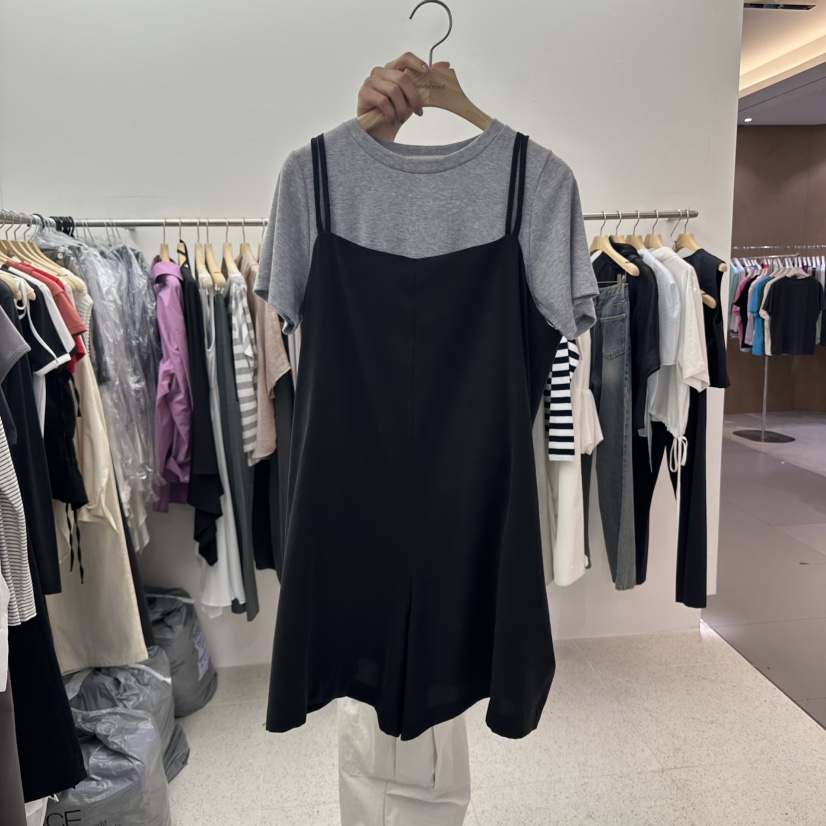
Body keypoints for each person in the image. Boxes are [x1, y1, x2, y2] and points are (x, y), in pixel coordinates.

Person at [336, 53, 473, 826]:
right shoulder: (319, 184)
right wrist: (369, 143)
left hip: (457, 485)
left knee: (427, 733)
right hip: (371, 487)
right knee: (378, 729)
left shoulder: (528, 186)